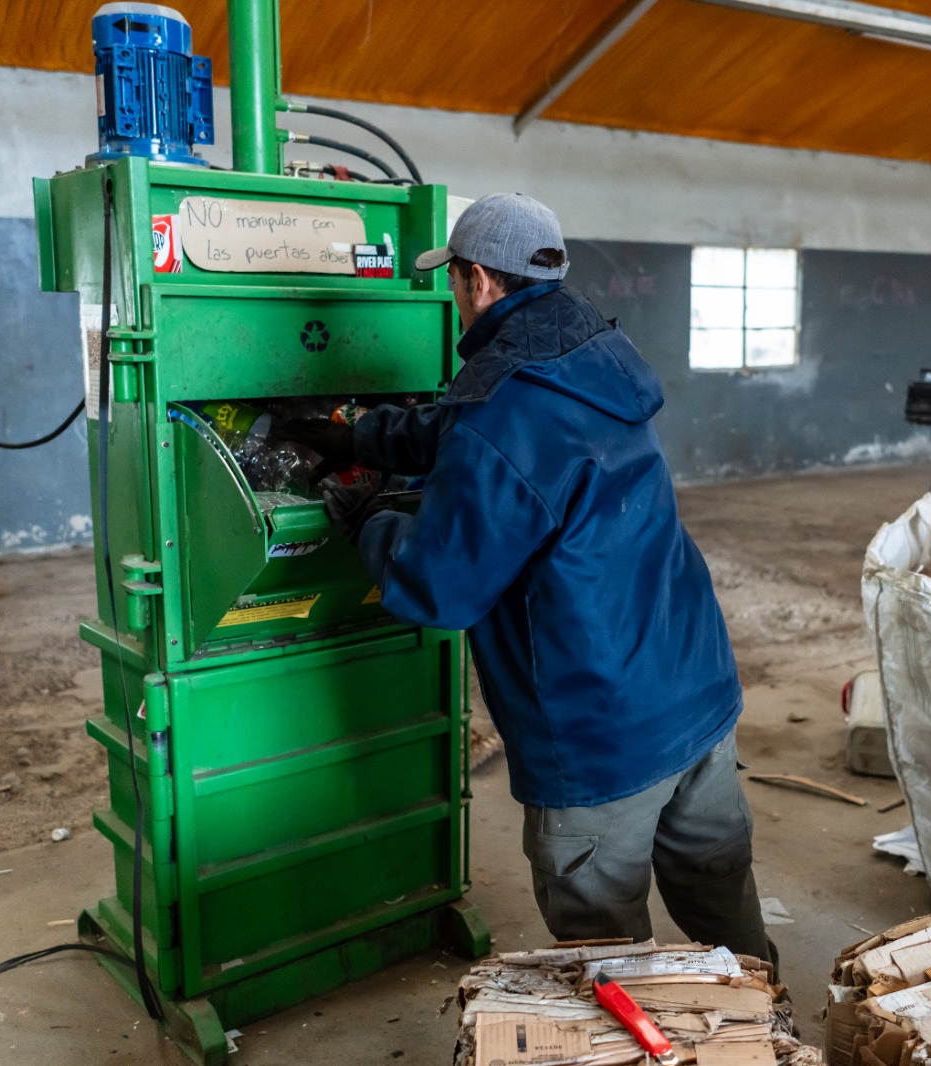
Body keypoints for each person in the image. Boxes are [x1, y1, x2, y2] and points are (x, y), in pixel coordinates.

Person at [318, 192, 772, 965]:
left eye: (454, 281)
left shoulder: (502, 411)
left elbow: (438, 586)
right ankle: (770, 1034)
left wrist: (370, 520)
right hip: (695, 690)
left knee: (610, 957)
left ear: (480, 283)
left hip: (602, 734)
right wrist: (364, 432)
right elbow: (478, 427)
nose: (454, 297)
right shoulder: (593, 355)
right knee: (720, 900)